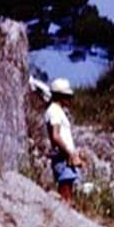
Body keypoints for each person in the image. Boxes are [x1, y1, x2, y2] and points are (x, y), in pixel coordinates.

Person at [44, 77, 82, 205]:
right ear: (60, 96)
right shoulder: (54, 111)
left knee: (69, 189)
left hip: (64, 156)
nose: (69, 99)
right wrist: (69, 153)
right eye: (67, 96)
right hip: (62, 157)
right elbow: (55, 136)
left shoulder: (57, 111)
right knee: (65, 194)